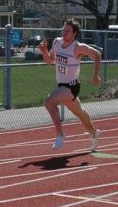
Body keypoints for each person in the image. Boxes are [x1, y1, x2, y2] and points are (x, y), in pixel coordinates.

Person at [38, 19, 102, 151]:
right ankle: (94, 133)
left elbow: (97, 55)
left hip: (72, 87)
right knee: (80, 113)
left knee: (49, 102)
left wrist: (95, 75)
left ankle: (60, 134)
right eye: (63, 30)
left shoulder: (77, 47)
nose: (64, 33)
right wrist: (44, 51)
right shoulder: (57, 42)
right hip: (61, 86)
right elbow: (50, 61)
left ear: (74, 34)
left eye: (68, 31)